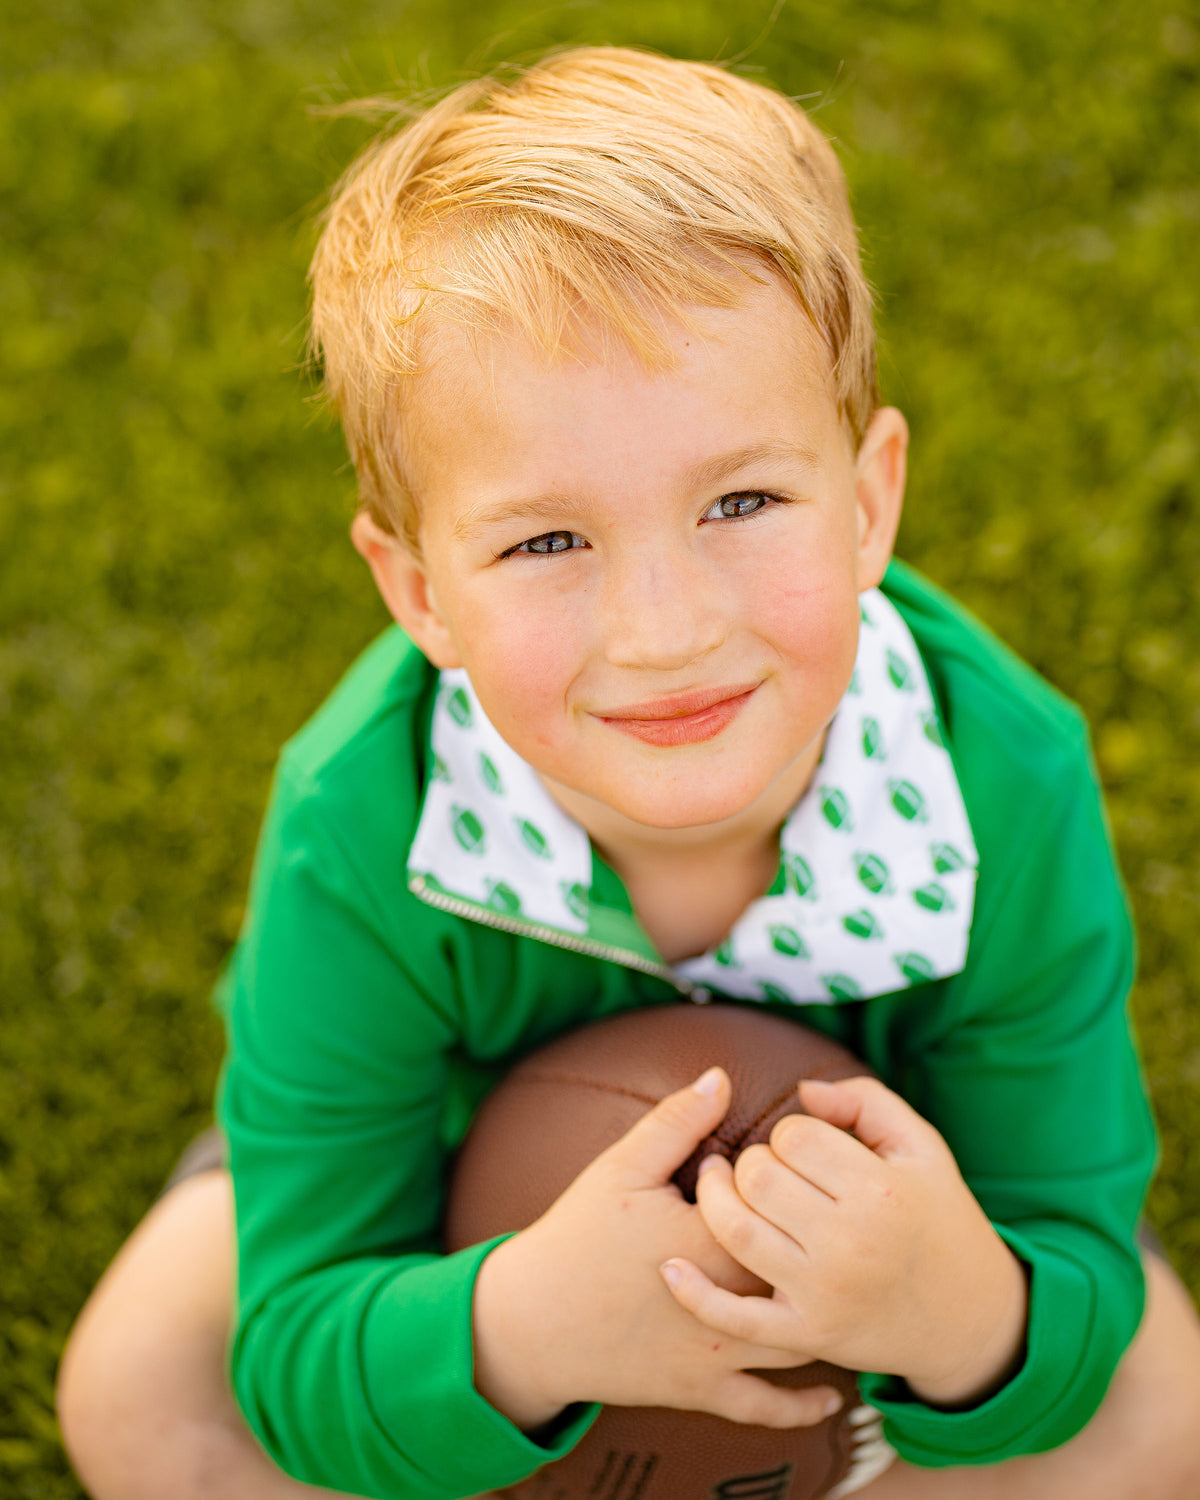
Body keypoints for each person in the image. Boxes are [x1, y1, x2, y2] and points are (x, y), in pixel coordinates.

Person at [56, 45, 1200, 1500]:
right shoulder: (359, 823)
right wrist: (523, 1328)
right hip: (441, 1202)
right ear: (417, 594)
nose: (664, 632)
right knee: (144, 1389)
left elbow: (1063, 1229)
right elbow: (294, 1341)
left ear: (868, 504)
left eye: (741, 500)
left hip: (907, 1232)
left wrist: (958, 1312)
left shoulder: (1002, 781)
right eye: (546, 542)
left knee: (1162, 1402)